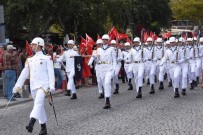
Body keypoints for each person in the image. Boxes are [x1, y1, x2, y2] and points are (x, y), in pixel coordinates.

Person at [12, 37, 55, 135]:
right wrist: (17, 86)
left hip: (43, 86)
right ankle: (43, 128)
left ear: (39, 45)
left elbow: (51, 73)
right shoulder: (30, 59)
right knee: (40, 107)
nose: (31, 46)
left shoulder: (47, 58)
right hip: (33, 86)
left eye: (33, 44)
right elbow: (24, 74)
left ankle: (31, 123)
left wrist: (51, 86)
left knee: (38, 104)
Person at [96, 34, 116, 109]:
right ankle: (108, 100)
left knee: (107, 82)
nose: (104, 41)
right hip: (102, 68)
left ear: (108, 41)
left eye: (105, 40)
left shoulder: (111, 49)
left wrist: (113, 70)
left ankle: (107, 100)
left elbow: (114, 60)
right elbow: (98, 60)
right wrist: (96, 58)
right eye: (103, 39)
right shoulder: (99, 49)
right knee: (105, 85)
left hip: (109, 68)